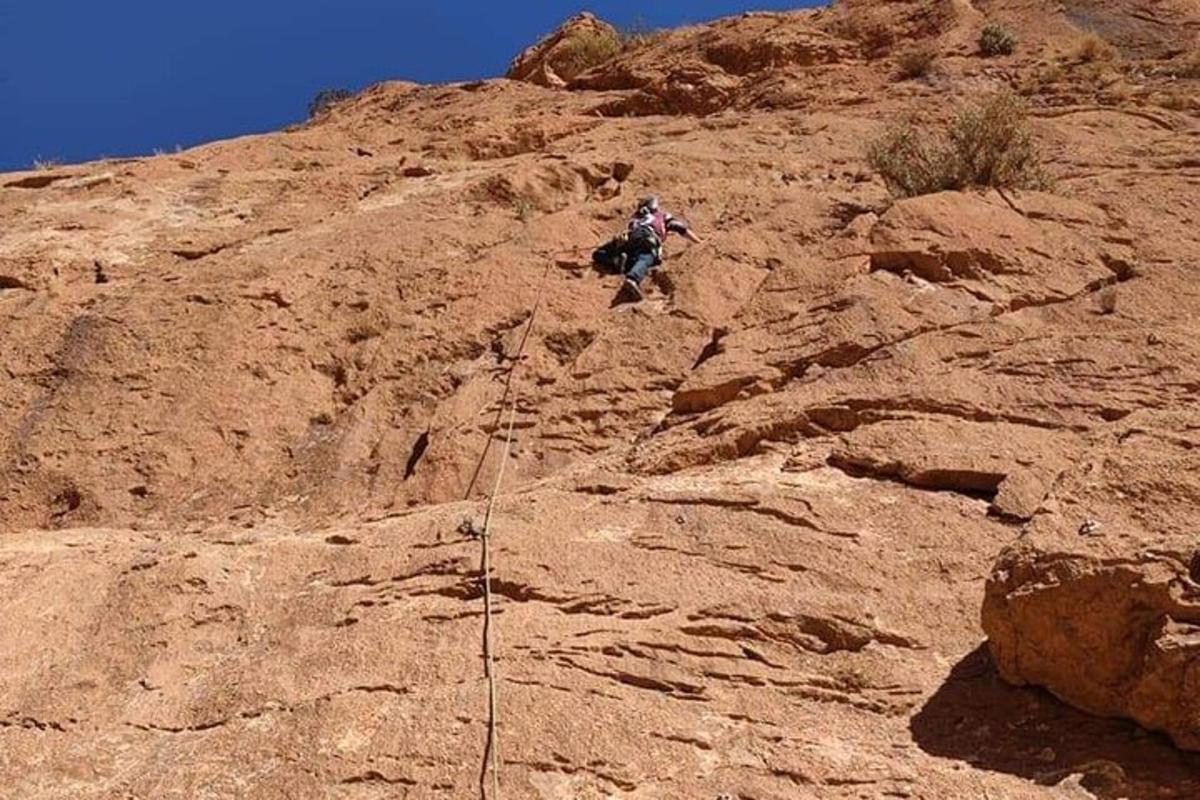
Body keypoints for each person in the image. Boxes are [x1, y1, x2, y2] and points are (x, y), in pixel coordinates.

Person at [615, 196, 702, 302]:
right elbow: (679, 227)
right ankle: (633, 279)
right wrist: (700, 243)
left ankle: (616, 259)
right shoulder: (661, 216)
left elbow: (628, 232)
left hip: (630, 239)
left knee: (599, 254)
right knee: (646, 257)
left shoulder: (636, 218)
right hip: (648, 237)